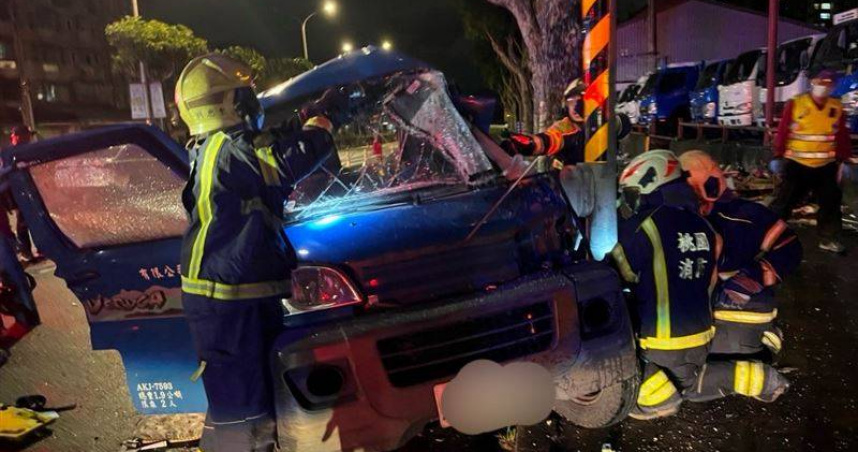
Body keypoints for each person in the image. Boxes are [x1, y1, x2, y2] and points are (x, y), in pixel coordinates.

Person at [174, 54, 340, 451]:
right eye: (244, 96)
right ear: (223, 104)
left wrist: (305, 117)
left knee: (258, 404)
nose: (253, 105)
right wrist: (323, 122)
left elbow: (271, 145)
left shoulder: (223, 147)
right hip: (226, 304)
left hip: (237, 297)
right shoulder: (224, 149)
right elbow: (282, 161)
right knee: (247, 418)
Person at [611, 150, 720, 420]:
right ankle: (676, 389)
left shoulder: (640, 227)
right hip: (703, 342)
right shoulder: (704, 226)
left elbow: (617, 274)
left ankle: (659, 397)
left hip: (660, 347)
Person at [680, 150, 802, 358]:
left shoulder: (744, 216)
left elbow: (789, 246)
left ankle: (757, 340)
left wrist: (754, 277)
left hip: (734, 301)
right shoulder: (674, 216)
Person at [770, 70, 851, 254]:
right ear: (812, 83)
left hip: (826, 167)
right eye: (820, 82)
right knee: (784, 202)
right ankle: (768, 236)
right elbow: (783, 131)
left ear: (832, 86)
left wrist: (843, 158)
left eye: (828, 83)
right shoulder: (796, 104)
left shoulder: (836, 107)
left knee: (830, 203)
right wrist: (778, 154)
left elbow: (842, 136)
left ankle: (828, 239)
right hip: (797, 164)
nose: (824, 86)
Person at [2, 125, 36, 263]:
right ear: (16, 136)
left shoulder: (30, 149)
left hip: (31, 189)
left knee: (35, 219)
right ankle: (25, 252)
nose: (29, 138)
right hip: (17, 191)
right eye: (26, 135)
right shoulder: (8, 153)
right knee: (22, 221)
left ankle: (34, 249)